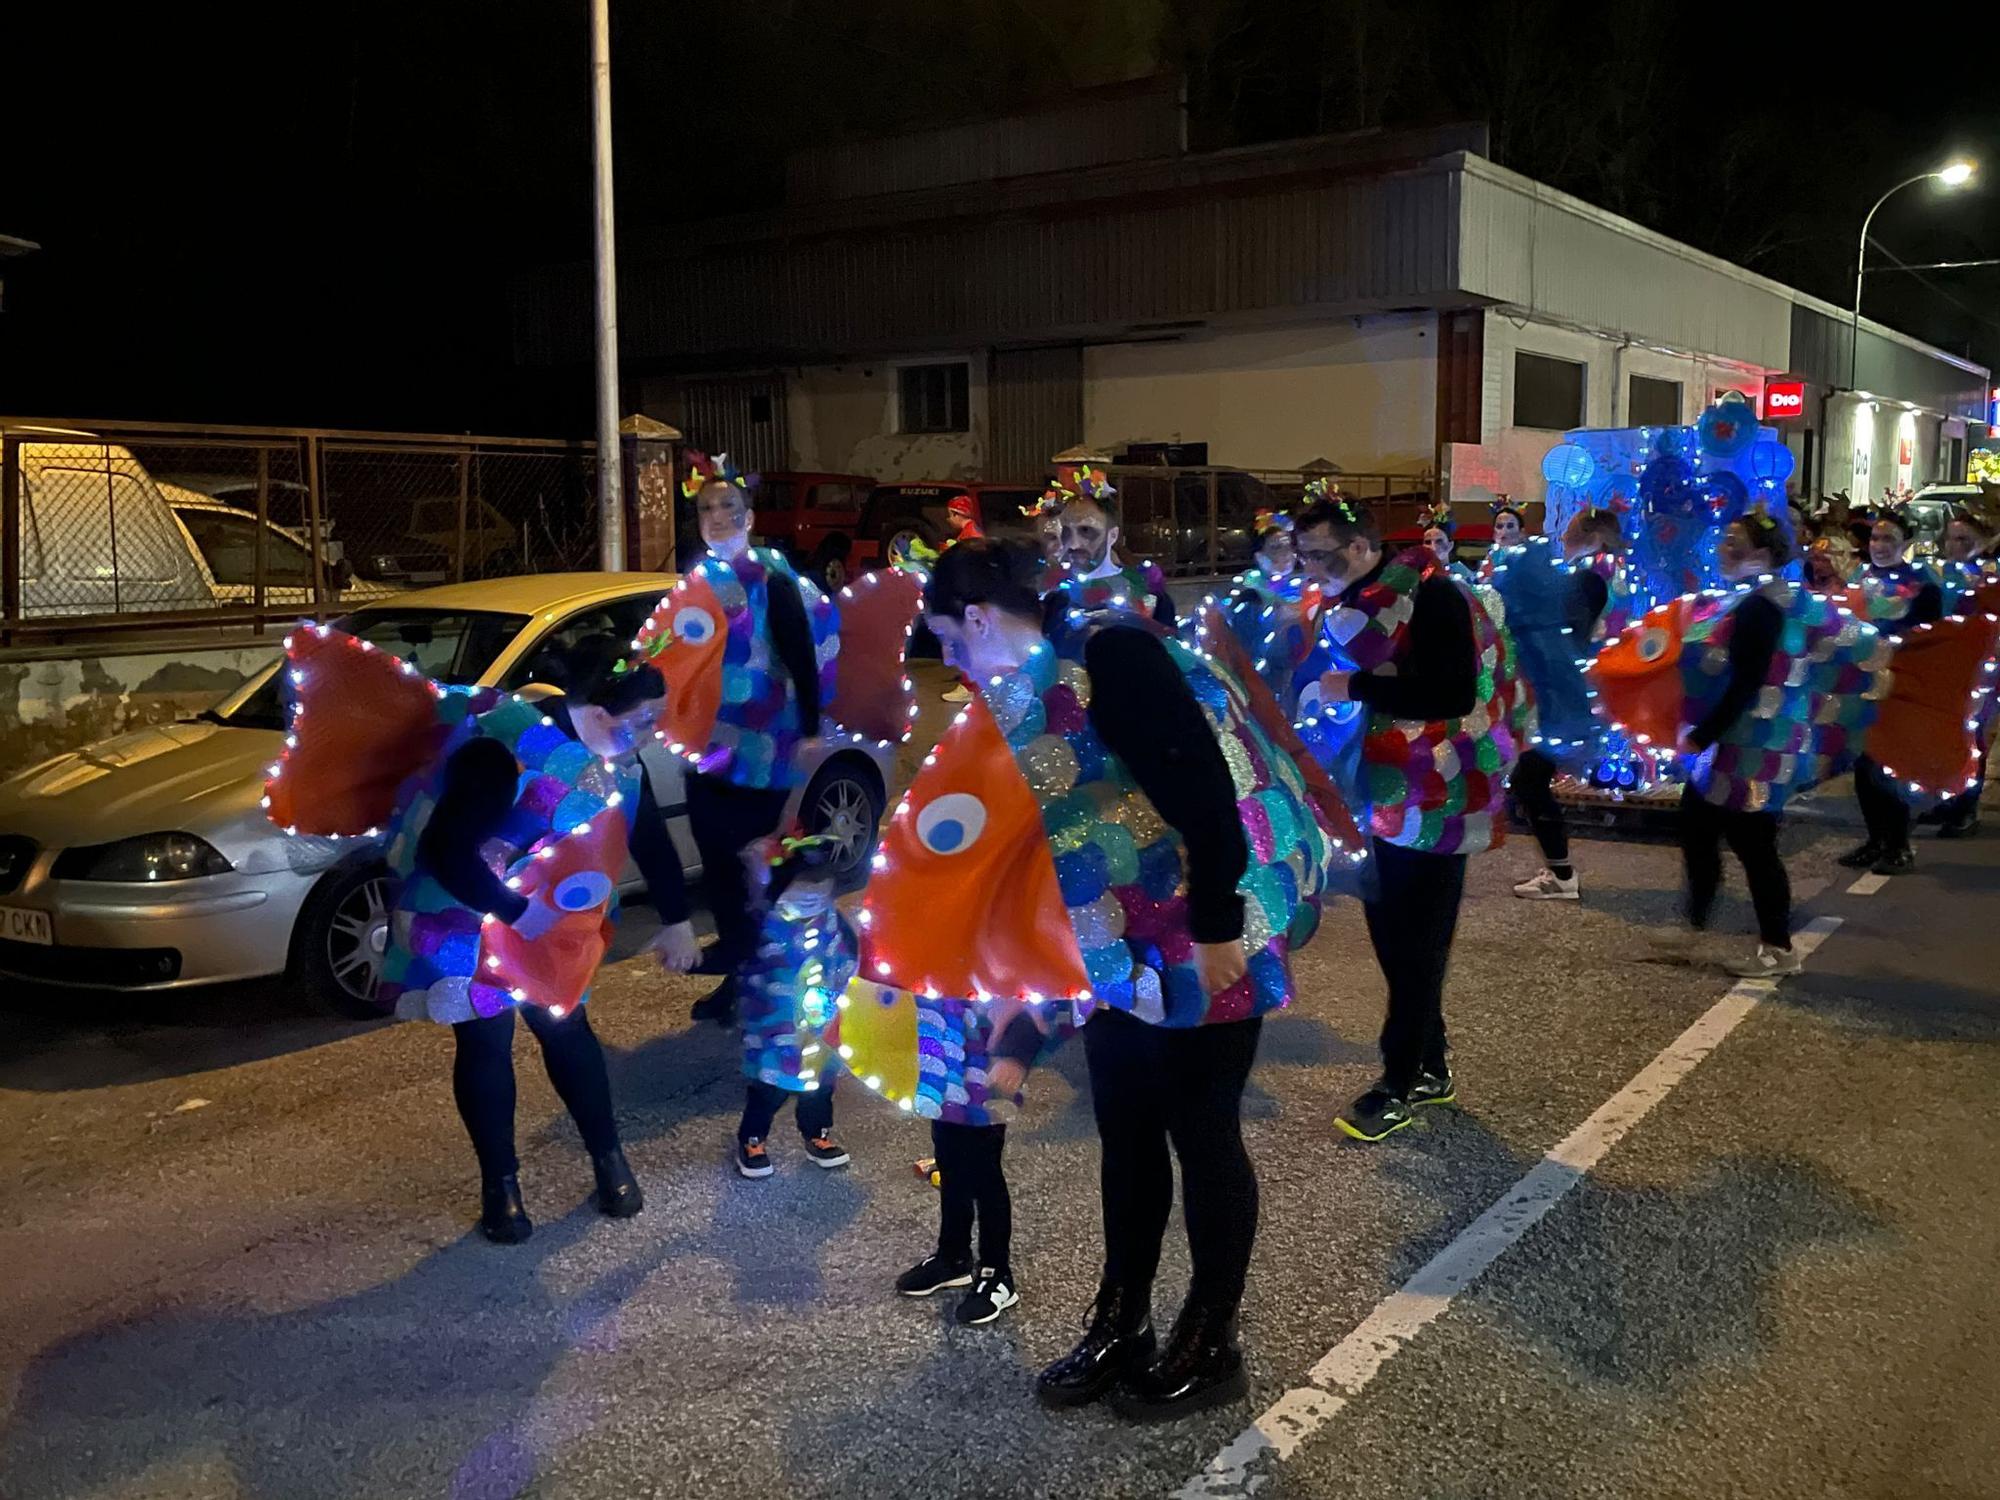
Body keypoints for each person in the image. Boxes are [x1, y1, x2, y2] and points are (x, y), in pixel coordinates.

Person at [920, 537, 1333, 1420]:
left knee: (1204, 1132)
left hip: (1208, 927)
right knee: (1127, 1132)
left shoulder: (1112, 653)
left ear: (980, 617)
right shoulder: (1028, 687)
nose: (952, 663)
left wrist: (1219, 922)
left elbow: (1205, 789)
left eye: (951, 641)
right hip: (1122, 945)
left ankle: (1211, 1337)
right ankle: (1123, 1319)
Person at [393, 644, 689, 1244]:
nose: (651, 733)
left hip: (550, 929)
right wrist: (513, 912)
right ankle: (500, 1185)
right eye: (642, 720)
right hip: (471, 922)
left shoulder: (621, 761)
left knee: (566, 1029)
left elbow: (649, 834)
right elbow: (443, 852)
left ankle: (608, 1159)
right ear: (599, 713)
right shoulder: (509, 753)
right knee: (486, 1044)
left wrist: (678, 917)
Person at [1293, 496, 1526, 1143]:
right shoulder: (1355, 608)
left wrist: (1357, 689)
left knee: (1418, 942)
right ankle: (1430, 1063)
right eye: (1303, 556)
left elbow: (1452, 693)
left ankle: (1396, 1084)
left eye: (1318, 555)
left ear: (1361, 549)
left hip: (1438, 796)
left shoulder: (1434, 597)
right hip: (1379, 793)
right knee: (1394, 941)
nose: (1309, 569)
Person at [675, 454, 836, 1023]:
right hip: (707, 748)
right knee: (719, 868)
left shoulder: (771, 579)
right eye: (707, 508)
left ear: (750, 515)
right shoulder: (694, 583)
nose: (717, 516)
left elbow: (800, 657)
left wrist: (813, 731)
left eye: (728, 507)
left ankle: (779, 979)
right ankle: (740, 973)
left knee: (762, 865)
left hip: (766, 747)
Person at [1663, 513, 1811, 977]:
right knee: (1697, 829)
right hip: (1728, 745)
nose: (1723, 547)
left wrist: (1702, 734)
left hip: (1748, 749)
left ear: (1762, 555)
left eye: (1734, 542)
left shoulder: (1759, 607)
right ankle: (1693, 926)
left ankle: (1778, 948)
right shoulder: (1746, 600)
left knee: (1754, 843)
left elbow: (1746, 680)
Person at [1510, 509, 1632, 901]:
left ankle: (1561, 875)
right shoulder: (1613, 574)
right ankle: (1559, 872)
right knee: (1531, 777)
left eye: (1570, 532)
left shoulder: (1588, 578)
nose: (1563, 540)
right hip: (1590, 690)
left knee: (1529, 779)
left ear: (1593, 535)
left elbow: (1567, 634)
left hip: (1569, 695)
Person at [893, 997, 1024, 1328]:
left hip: (988, 1043)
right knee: (948, 1157)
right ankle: (953, 1256)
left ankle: (997, 1273)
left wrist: (1016, 1051)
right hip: (941, 1036)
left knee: (983, 1167)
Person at [734, 833, 856, 1178]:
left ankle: (817, 1134)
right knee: (769, 1089)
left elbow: (848, 962)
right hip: (775, 1029)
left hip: (821, 1029)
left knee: (819, 1088)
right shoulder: (766, 926)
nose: (810, 904)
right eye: (801, 896)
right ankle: (752, 1139)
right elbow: (742, 964)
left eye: (819, 897)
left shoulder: (832, 924)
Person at [1840, 510, 1944, 875]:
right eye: (1875, 539)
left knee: (1888, 767)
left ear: (1906, 544)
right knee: (1863, 766)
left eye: (1888, 540)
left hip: (1899, 687)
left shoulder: (1923, 585)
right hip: (1861, 685)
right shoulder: (1858, 580)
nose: (1880, 546)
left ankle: (1898, 844)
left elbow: (1929, 638)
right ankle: (1876, 840)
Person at [1925, 510, 1996, 837]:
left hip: (1980, 670)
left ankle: (1966, 806)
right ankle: (1947, 799)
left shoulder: (1990, 577)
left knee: (1969, 736)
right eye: (1951, 539)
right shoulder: (1936, 575)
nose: (1955, 546)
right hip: (1942, 666)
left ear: (1983, 542)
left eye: (1964, 540)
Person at [1044, 467, 1178, 628]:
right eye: (1066, 531)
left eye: (1086, 530)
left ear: (1113, 535)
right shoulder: (1055, 596)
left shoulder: (1145, 590)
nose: (1073, 544)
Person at [1420, 503, 1476, 586]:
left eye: (1439, 542)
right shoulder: (1419, 573)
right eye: (1428, 542)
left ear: (1450, 545)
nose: (1433, 547)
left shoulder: (1461, 572)